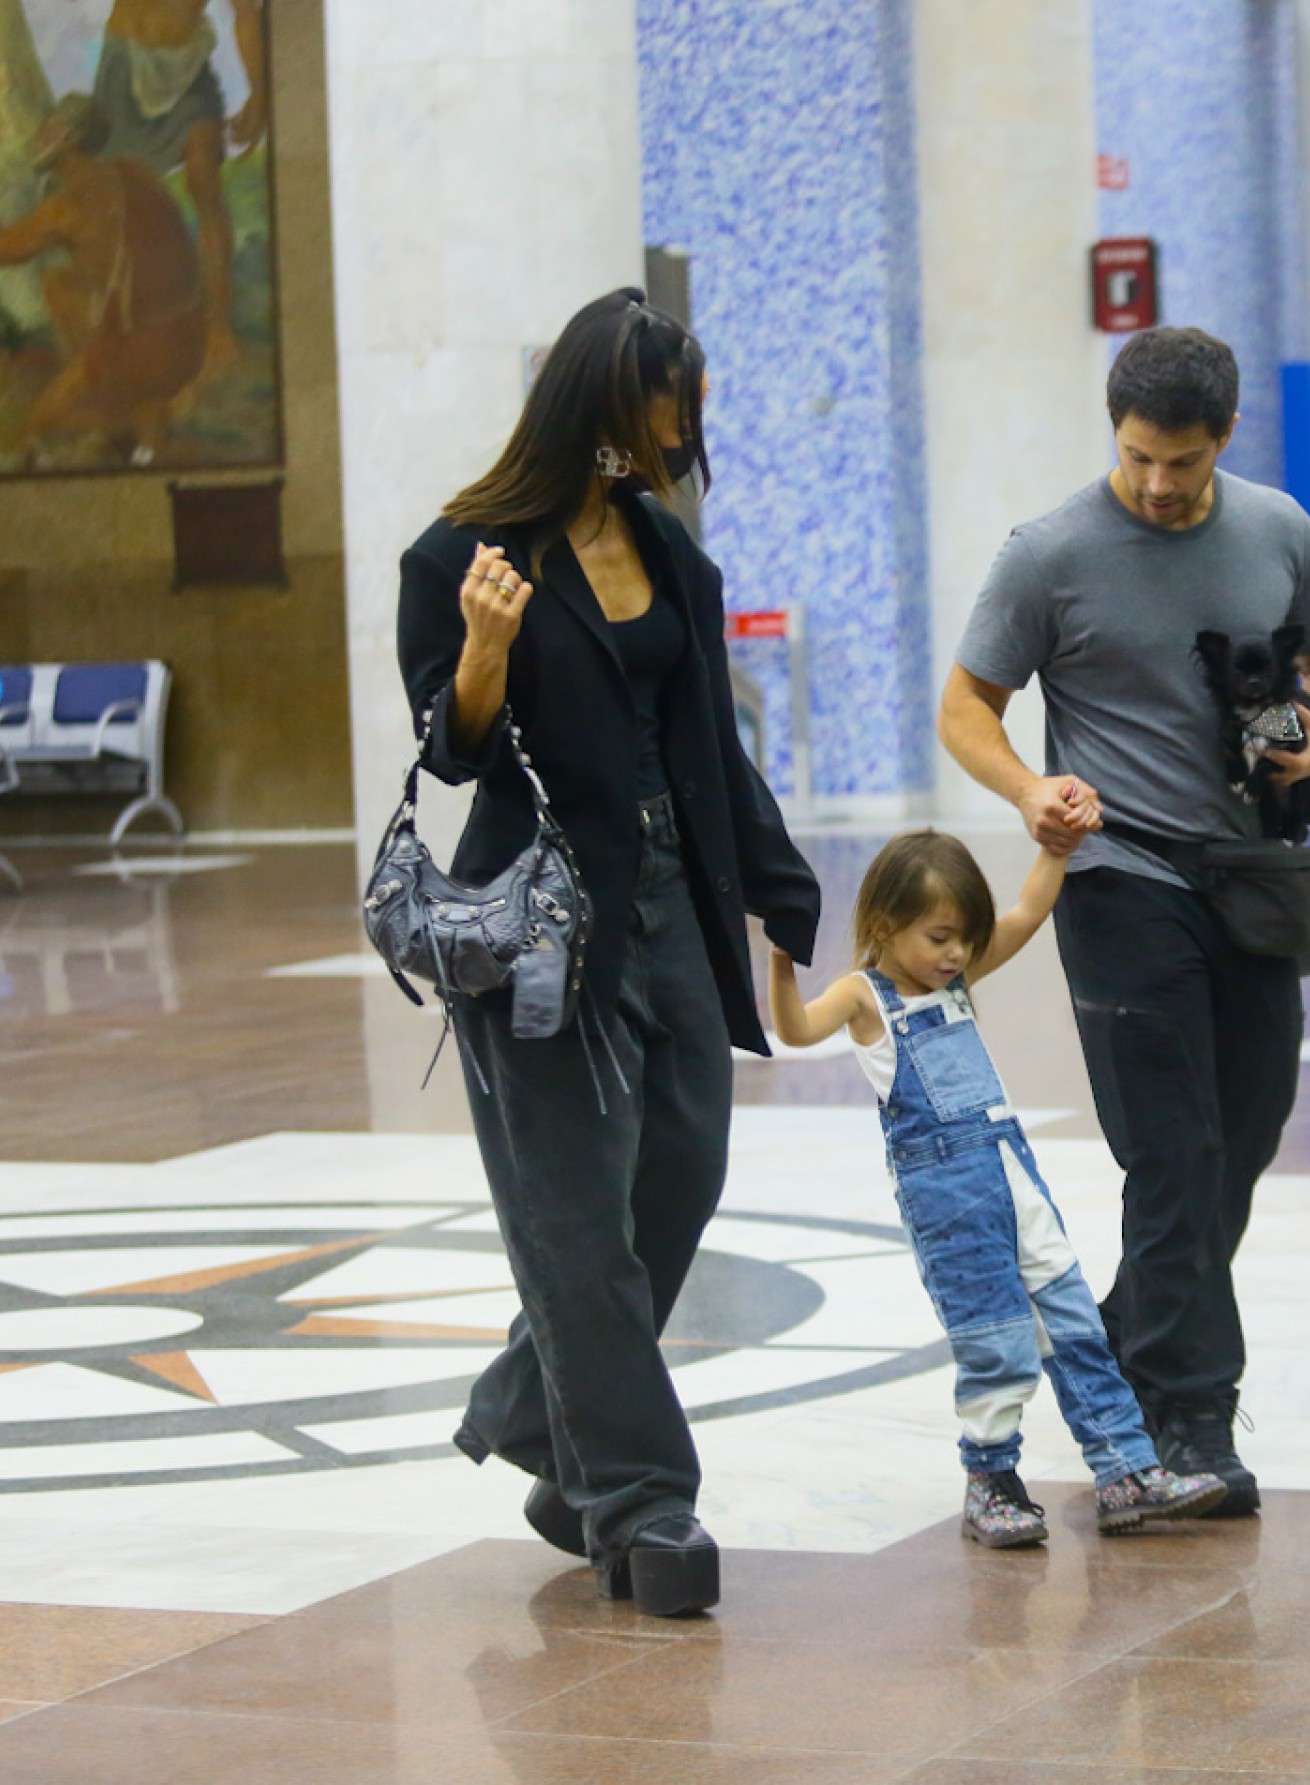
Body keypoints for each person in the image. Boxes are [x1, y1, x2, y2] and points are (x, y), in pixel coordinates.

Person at [396, 289, 821, 1617]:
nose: (677, 443)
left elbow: (712, 742)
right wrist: (484, 650)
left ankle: (544, 1419)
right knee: (577, 1218)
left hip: (669, 908)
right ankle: (643, 1504)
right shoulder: (463, 555)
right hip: (539, 927)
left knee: (679, 1176)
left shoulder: (672, 556)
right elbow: (449, 755)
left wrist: (779, 886)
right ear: (601, 408)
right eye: (660, 416)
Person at [938, 326, 1310, 1515]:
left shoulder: (1276, 530)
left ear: (1224, 438)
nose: (1158, 483)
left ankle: (1123, 1339)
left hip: (1252, 878)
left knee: (1245, 1132)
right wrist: (1031, 788)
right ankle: (1187, 1420)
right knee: (1171, 1149)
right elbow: (967, 702)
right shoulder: (1051, 553)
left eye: (1181, 461)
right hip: (1120, 878)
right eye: (1137, 458)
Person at [768, 827, 1228, 1544]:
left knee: (1074, 1320)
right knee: (998, 1339)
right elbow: (795, 1029)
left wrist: (1059, 845)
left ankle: (1126, 1470)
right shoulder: (865, 996)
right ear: (887, 924)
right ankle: (991, 1480)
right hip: (948, 1197)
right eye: (941, 936)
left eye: (964, 939)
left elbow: (1026, 913)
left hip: (1015, 1177)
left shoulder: (955, 979)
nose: (956, 955)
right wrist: (779, 953)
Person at [0, 95, 203, 456]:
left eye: (49, 129)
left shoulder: (65, 209)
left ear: (71, 137)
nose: (38, 137)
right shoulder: (134, 170)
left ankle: (126, 410)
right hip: (187, 340)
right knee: (57, 282)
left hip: (139, 352)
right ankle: (122, 398)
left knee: (33, 428)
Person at [92, 0, 267, 381]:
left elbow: (248, 12)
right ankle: (126, 331)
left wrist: (259, 93)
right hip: (124, 63)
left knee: (205, 181)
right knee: (124, 204)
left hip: (186, 70)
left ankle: (219, 329)